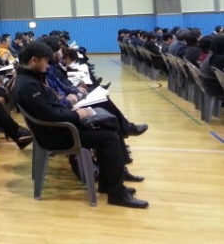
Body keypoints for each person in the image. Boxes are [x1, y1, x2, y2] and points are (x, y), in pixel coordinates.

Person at [13, 42, 148, 208]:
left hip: (60, 127)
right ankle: (116, 193)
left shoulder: (30, 79)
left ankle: (109, 183)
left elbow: (51, 109)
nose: (48, 65)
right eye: (46, 61)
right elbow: (49, 115)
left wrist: (73, 111)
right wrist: (77, 115)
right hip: (57, 135)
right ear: (34, 60)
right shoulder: (28, 85)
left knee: (110, 125)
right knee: (109, 137)